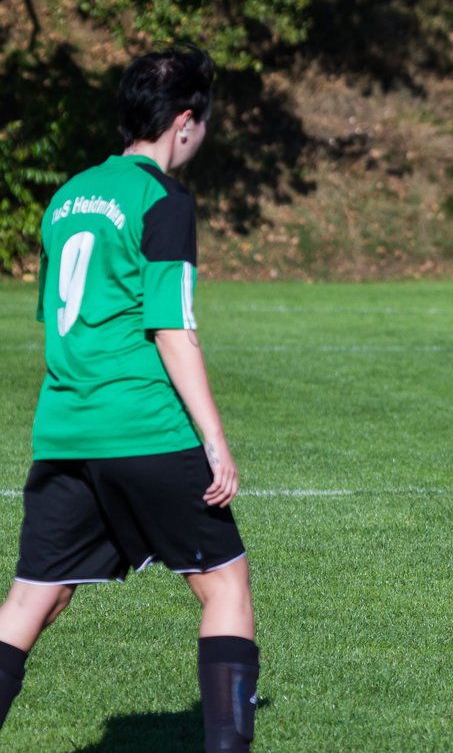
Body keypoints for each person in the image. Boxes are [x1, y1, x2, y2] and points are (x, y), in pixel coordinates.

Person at [0, 46, 259, 751]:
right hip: (143, 425)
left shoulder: (67, 197)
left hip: (63, 431)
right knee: (225, 588)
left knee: (32, 597)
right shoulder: (162, 198)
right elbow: (171, 327)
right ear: (185, 122)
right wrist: (214, 437)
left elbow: (59, 323)